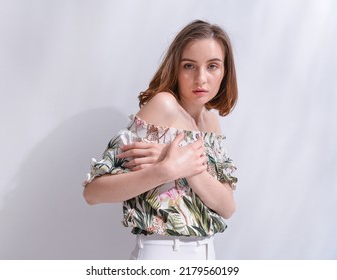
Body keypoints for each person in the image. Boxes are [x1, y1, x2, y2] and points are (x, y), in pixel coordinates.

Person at [83, 19, 238, 260]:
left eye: (212, 66)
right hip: (163, 253)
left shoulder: (211, 121)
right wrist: (166, 169)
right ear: (176, 68)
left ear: (225, 71)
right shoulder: (164, 106)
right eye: (189, 66)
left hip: (207, 253)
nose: (201, 78)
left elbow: (227, 207)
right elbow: (94, 192)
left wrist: (184, 166)